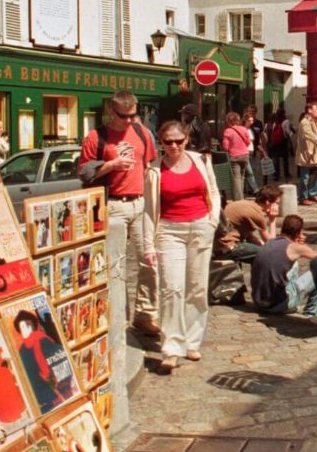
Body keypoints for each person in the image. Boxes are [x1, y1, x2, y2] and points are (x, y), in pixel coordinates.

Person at [78, 91, 159, 337]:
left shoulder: (142, 133)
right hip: (112, 204)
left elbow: (151, 165)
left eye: (134, 115)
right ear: (112, 112)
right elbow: (83, 173)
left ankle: (145, 315)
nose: (129, 120)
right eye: (124, 116)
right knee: (116, 264)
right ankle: (118, 317)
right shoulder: (96, 137)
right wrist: (110, 166)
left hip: (139, 203)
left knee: (148, 261)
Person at [142, 120, 221, 373]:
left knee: (197, 288)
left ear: (186, 139)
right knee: (171, 288)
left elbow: (214, 192)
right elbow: (147, 212)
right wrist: (148, 246)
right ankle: (172, 347)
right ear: (161, 143)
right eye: (168, 142)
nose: (173, 146)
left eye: (178, 141)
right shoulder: (154, 171)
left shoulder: (201, 161)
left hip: (200, 227)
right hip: (169, 231)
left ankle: (192, 342)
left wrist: (212, 220)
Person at [250, 214, 317, 320]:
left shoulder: (269, 242)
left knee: (289, 264)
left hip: (258, 303)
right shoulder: (295, 248)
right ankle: (312, 313)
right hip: (277, 305)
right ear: (298, 233)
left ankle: (295, 300)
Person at [214, 184, 282, 263]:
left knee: (258, 251)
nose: (278, 206)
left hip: (219, 243)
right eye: (277, 203)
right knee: (266, 255)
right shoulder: (257, 214)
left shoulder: (248, 204)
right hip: (227, 247)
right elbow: (271, 242)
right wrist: (272, 219)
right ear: (268, 202)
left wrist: (261, 244)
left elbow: (249, 236)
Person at [221, 112, 251, 201]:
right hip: (245, 155)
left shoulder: (228, 131)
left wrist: (230, 148)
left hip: (234, 157)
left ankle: (239, 200)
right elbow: (248, 142)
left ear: (228, 121)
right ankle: (240, 197)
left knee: (236, 179)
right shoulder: (244, 129)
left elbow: (225, 147)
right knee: (242, 177)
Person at [265, 108, 291, 180]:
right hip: (283, 142)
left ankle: (276, 175)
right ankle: (286, 173)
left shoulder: (275, 122)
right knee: (285, 159)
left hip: (275, 142)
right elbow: (288, 132)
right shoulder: (286, 121)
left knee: (276, 159)